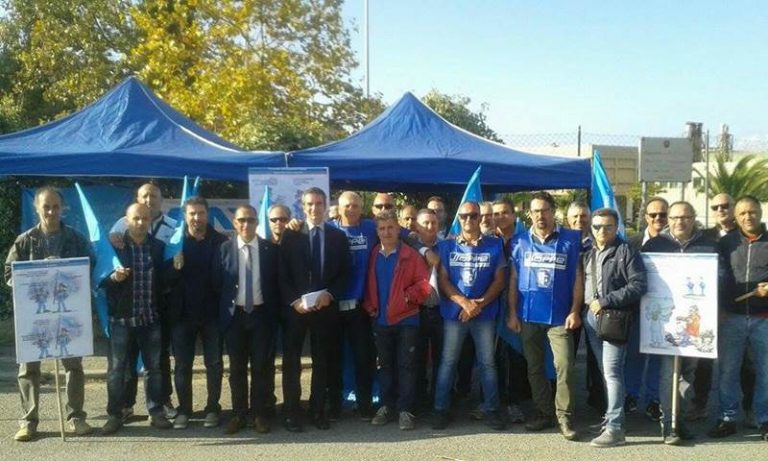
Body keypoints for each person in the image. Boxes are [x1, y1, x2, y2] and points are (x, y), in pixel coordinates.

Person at [5, 187, 94, 441]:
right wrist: (33, 276)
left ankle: (76, 417)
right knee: (28, 367)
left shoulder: (75, 239)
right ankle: (28, 421)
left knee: (73, 366)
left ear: (62, 208)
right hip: (34, 316)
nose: (51, 212)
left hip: (66, 314)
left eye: (55, 206)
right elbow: (9, 274)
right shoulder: (24, 241)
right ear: (37, 208)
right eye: (46, 207)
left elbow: (90, 267)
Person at [507, 191, 584, 441]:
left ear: (553, 212)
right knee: (534, 367)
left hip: (560, 317)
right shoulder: (519, 241)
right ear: (529, 214)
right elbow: (514, 279)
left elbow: (577, 278)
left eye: (545, 210)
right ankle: (543, 412)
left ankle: (564, 416)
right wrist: (511, 312)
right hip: (528, 315)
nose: (541, 215)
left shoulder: (571, 240)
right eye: (536, 211)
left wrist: (574, 310)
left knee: (564, 365)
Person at [643, 201, 718, 445]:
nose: (679, 222)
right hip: (666, 322)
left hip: (697, 322)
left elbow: (720, 280)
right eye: (674, 217)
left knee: (688, 373)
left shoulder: (708, 246)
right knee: (668, 373)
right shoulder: (655, 245)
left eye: (685, 217)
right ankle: (668, 426)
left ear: (694, 218)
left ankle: (681, 419)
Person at [279, 187, 351, 432]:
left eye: (319, 203)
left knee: (322, 362)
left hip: (324, 309)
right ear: (303, 206)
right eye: (309, 204)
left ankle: (318, 410)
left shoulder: (337, 237)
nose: (314, 208)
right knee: (292, 362)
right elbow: (282, 273)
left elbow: (345, 273)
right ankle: (292, 412)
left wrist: (330, 295)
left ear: (325, 205)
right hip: (296, 310)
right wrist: (293, 301)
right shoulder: (292, 235)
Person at [432, 201, 507, 431]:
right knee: (448, 362)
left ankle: (492, 410)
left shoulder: (495, 245)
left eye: (474, 216)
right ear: (458, 218)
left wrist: (480, 304)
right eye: (464, 216)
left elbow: (500, 279)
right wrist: (464, 303)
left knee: (487, 363)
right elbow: (443, 279)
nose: (469, 220)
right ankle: (440, 409)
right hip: (454, 314)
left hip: (484, 314)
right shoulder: (447, 246)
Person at [101, 203, 174, 435]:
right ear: (127, 219)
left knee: (153, 368)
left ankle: (155, 411)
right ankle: (115, 414)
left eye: (145, 218)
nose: (141, 222)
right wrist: (113, 277)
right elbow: (100, 279)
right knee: (117, 370)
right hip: (122, 320)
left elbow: (166, 281)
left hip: (150, 318)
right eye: (136, 218)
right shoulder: (114, 247)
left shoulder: (158, 247)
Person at [582, 208, 647, 447]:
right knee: (605, 372)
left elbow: (639, 285)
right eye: (597, 226)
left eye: (607, 226)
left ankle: (616, 428)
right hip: (591, 317)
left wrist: (607, 301)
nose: (601, 231)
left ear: (616, 227)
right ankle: (610, 418)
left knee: (612, 373)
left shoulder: (626, 250)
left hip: (614, 319)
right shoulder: (589, 252)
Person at [364, 210, 432, 430]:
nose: (387, 232)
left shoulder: (410, 255)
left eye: (391, 227)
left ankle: (405, 410)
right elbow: (369, 284)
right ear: (377, 231)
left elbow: (424, 284)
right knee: (385, 367)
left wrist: (406, 297)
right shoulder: (374, 253)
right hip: (381, 321)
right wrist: (370, 305)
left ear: (398, 229)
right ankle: (386, 406)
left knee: (407, 367)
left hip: (406, 321)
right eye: (382, 229)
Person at [215, 205, 280, 434]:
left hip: (262, 316)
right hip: (235, 317)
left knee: (262, 368)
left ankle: (259, 415)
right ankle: (239, 415)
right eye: (241, 220)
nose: (246, 224)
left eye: (251, 220)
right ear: (234, 222)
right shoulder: (224, 249)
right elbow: (216, 286)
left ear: (256, 223)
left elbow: (277, 285)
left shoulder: (269, 250)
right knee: (237, 369)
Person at [709, 195, 768, 442]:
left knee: (766, 372)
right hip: (731, 318)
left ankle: (763, 418)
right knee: (728, 371)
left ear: (760, 213)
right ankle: (728, 417)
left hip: (763, 319)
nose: (748, 217)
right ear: (736, 216)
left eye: (752, 212)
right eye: (743, 213)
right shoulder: (726, 243)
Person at [167, 197, 228, 429]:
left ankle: (212, 408)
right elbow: (163, 280)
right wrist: (173, 267)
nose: (196, 218)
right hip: (182, 315)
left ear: (207, 214)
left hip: (212, 314)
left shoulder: (222, 242)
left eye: (200, 213)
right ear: (185, 216)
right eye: (191, 214)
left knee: (214, 364)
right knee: (183, 365)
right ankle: (184, 410)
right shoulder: (175, 243)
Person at [326, 191, 377, 421]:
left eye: (355, 205)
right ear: (339, 207)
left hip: (360, 307)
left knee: (363, 358)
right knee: (333, 358)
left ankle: (365, 404)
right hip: (332, 305)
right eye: (347, 205)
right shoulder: (328, 229)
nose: (351, 209)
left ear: (361, 207)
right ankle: (335, 405)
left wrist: (424, 248)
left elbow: (402, 233)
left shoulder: (370, 227)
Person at [625, 197, 667, 421]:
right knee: (634, 355)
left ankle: (653, 399)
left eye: (662, 214)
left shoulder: (674, 244)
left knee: (658, 357)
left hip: (664, 311)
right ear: (646, 217)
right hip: (636, 308)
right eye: (654, 215)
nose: (658, 218)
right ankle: (630, 395)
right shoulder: (631, 243)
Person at [566, 201, 606, 413]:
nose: (579, 221)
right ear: (567, 220)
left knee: (596, 356)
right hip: (568, 307)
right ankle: (565, 401)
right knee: (566, 356)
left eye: (583, 216)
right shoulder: (562, 243)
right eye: (575, 217)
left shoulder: (598, 243)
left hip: (593, 306)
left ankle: (599, 400)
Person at [413, 209, 443, 411]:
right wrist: (423, 250)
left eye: (433, 223)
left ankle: (438, 401)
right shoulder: (410, 247)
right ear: (417, 227)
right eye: (425, 223)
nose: (430, 227)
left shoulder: (447, 247)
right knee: (418, 358)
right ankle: (419, 401)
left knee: (442, 360)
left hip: (442, 311)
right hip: (417, 311)